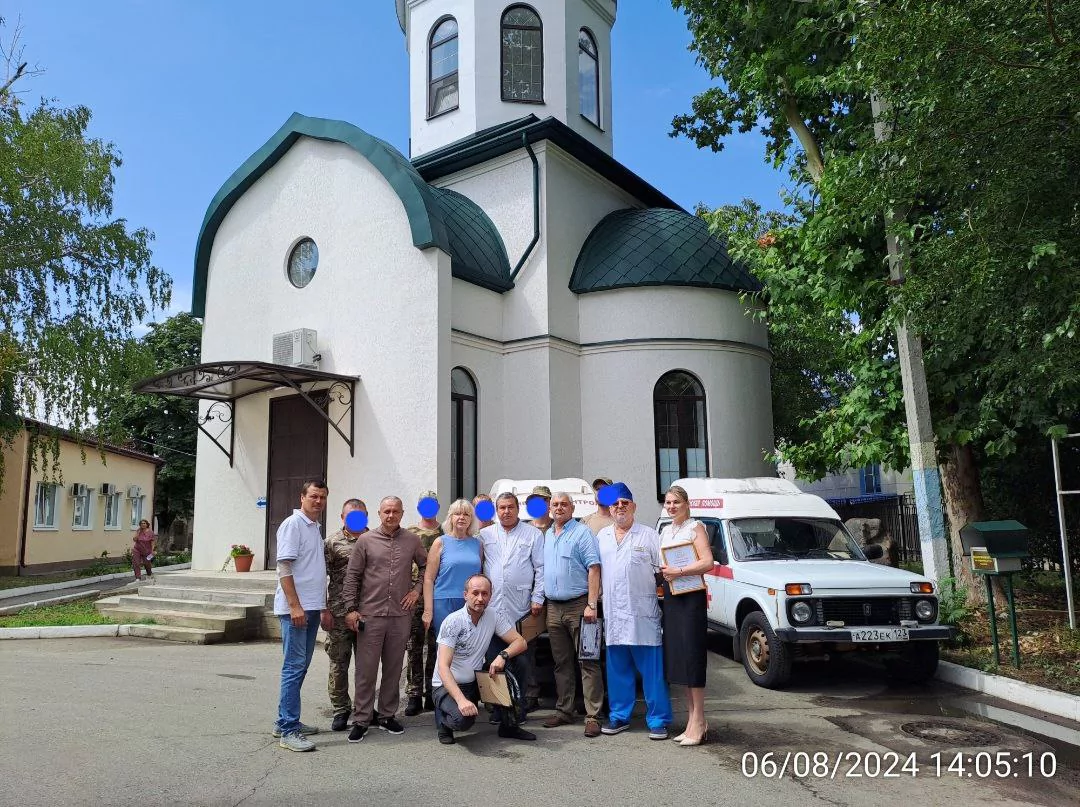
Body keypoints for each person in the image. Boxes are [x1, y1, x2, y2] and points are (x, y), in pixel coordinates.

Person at [342, 496, 427, 743]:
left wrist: (416, 590)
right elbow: (352, 576)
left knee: (392, 668)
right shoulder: (366, 541)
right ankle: (361, 719)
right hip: (370, 615)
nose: (391, 515)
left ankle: (387, 715)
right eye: (387, 511)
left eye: (396, 512)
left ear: (402, 513)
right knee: (366, 671)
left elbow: (426, 567)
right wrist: (350, 609)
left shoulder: (412, 541)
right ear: (379, 513)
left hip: (400, 615)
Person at [595, 482, 672, 740]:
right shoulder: (602, 537)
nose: (620, 507)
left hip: (643, 614)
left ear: (634, 506)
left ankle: (658, 719)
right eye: (615, 504)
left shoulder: (648, 535)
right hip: (614, 615)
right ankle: (619, 716)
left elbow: (663, 571)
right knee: (618, 671)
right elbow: (595, 573)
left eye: (624, 503)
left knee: (652, 673)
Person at [431, 573, 535, 744]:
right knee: (463, 721)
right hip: (447, 685)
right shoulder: (453, 622)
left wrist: (503, 656)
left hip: (475, 682)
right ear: (465, 595)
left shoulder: (493, 616)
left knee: (519, 661)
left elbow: (521, 642)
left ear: (490, 596)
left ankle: (509, 726)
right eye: (475, 593)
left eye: (485, 594)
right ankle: (444, 723)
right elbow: (443, 667)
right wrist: (461, 700)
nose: (480, 598)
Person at [273, 480, 329, 752]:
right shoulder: (293, 525)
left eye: (322, 497)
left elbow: (313, 572)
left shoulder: (314, 527)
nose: (318, 501)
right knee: (293, 668)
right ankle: (288, 729)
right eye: (313, 496)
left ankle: (283, 720)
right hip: (296, 609)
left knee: (300, 667)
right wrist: (295, 606)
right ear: (302, 497)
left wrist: (322, 606)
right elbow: (284, 567)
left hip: (311, 607)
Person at [541, 492, 604, 737]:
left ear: (572, 507)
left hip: (580, 605)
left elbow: (594, 568)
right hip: (554, 608)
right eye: (555, 504)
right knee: (561, 662)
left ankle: (593, 716)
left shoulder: (582, 533)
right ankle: (564, 710)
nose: (559, 508)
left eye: (563, 504)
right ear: (549, 508)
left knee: (588, 660)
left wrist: (592, 604)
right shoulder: (548, 534)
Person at [658, 485, 715, 746]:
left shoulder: (696, 528)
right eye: (668, 502)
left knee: (693, 656)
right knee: (679, 656)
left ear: (686, 504)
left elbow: (707, 562)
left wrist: (679, 571)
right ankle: (692, 719)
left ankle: (700, 720)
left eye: (676, 502)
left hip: (691, 596)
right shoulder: (666, 531)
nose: (671, 507)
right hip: (672, 597)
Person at [480, 492, 544, 719]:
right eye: (502, 508)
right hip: (492, 607)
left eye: (510, 507)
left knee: (522, 661)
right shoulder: (485, 534)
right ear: (496, 511)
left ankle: (519, 708)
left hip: (521, 608)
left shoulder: (533, 534)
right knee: (492, 659)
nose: (506, 512)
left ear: (518, 509)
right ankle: (498, 708)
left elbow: (540, 568)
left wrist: (538, 598)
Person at [321, 498, 368, 732]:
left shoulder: (376, 539)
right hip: (339, 613)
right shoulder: (331, 543)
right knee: (339, 663)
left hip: (368, 614)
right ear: (342, 518)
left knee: (366, 665)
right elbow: (321, 577)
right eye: (351, 516)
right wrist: (324, 609)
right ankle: (340, 708)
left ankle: (363, 708)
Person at [404, 491, 443, 717]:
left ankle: (433, 692)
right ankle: (414, 694)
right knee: (414, 648)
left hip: (440, 596)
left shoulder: (445, 531)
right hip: (415, 598)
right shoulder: (410, 533)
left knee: (437, 648)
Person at [422, 499, 483, 639]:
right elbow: (429, 578)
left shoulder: (477, 544)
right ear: (451, 517)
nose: (461, 517)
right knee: (445, 646)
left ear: (471, 519)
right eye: (457, 514)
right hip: (444, 603)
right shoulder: (440, 542)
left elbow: (480, 575)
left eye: (466, 514)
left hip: (470, 602)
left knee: (468, 647)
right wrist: (428, 610)